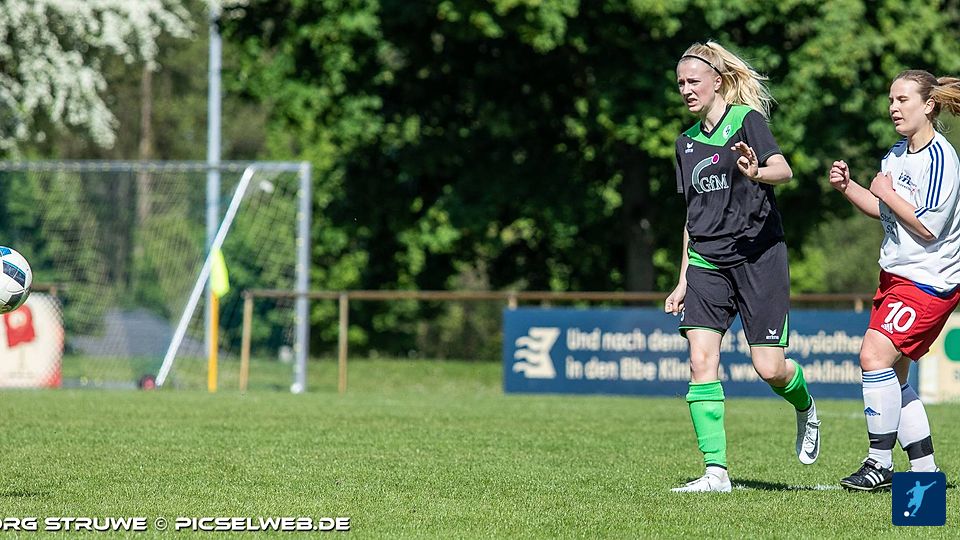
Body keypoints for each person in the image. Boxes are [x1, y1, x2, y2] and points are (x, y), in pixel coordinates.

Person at [666, 41, 820, 493]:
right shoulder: (684, 143)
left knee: (769, 368)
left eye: (694, 81)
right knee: (700, 360)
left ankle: (805, 405)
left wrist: (757, 173)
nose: (686, 89)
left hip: (759, 257)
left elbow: (784, 170)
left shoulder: (747, 121)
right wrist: (682, 278)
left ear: (717, 81)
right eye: (681, 83)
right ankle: (716, 472)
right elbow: (691, 217)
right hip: (706, 262)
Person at [829, 70, 960, 491]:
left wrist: (885, 192)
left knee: (872, 356)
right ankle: (925, 475)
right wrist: (850, 188)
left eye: (903, 100)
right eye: (891, 100)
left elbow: (928, 227)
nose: (893, 108)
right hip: (895, 276)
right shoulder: (896, 153)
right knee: (894, 380)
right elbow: (884, 209)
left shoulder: (941, 159)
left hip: (927, 282)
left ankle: (879, 463)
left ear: (928, 105)